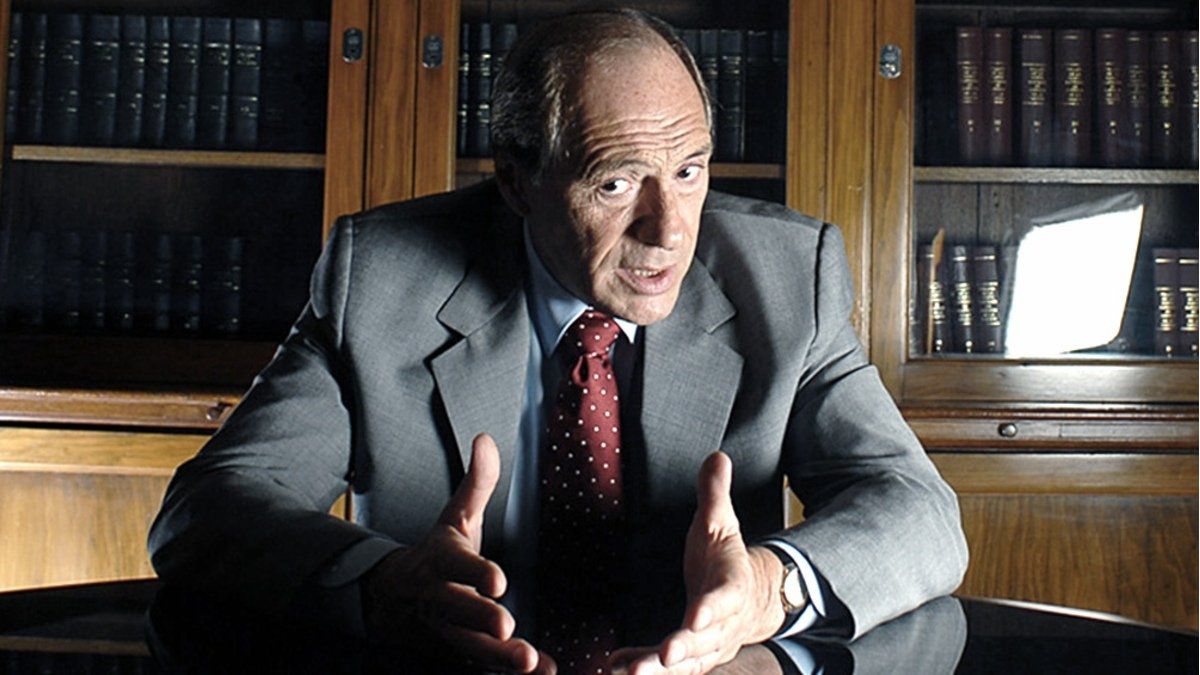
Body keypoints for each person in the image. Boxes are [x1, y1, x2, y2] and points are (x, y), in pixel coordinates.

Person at [148, 8, 967, 674]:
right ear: (516, 179)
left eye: (689, 170)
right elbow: (207, 512)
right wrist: (383, 584)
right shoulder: (383, 279)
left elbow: (921, 514)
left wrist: (766, 588)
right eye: (615, 182)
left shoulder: (786, 279)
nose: (668, 230)